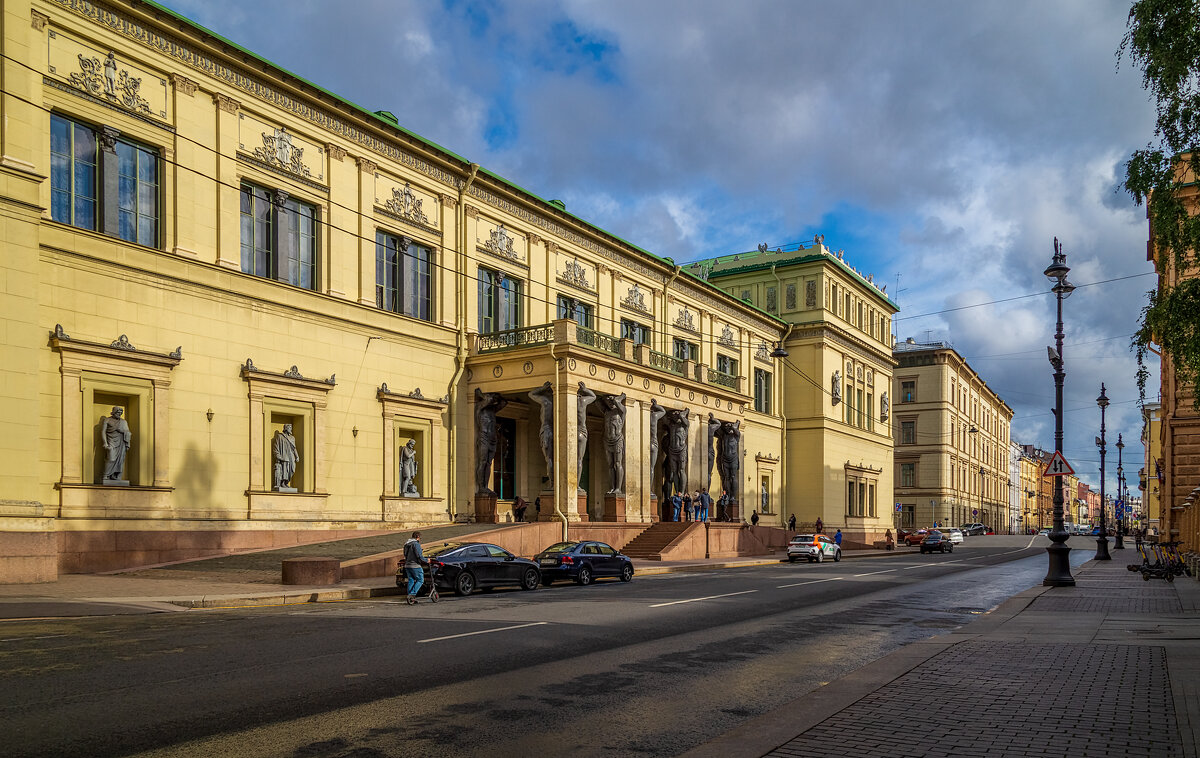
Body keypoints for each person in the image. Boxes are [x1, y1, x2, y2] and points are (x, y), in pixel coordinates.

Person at [101, 406, 132, 482]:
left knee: (120, 460)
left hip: (121, 443)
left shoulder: (124, 422)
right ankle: (106, 475)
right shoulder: (107, 420)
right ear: (113, 412)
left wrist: (122, 431)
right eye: (118, 412)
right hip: (111, 442)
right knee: (111, 458)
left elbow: (128, 432)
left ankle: (116, 475)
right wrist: (105, 443)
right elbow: (103, 432)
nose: (119, 414)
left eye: (120, 413)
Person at [402, 531, 429, 604]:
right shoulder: (416, 544)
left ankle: (410, 597)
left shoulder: (406, 544)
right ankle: (412, 594)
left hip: (407, 565)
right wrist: (427, 560)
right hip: (415, 565)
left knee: (411, 580)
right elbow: (419, 556)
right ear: (418, 537)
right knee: (420, 580)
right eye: (420, 538)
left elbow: (405, 555)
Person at [272, 422, 298, 490]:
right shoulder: (280, 436)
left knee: (292, 468)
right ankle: (283, 483)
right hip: (284, 456)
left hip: (291, 456)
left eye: (291, 428)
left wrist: (297, 456)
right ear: (286, 429)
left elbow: (294, 448)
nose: (291, 429)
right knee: (284, 470)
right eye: (289, 428)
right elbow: (276, 446)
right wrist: (278, 456)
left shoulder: (292, 438)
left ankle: (286, 483)